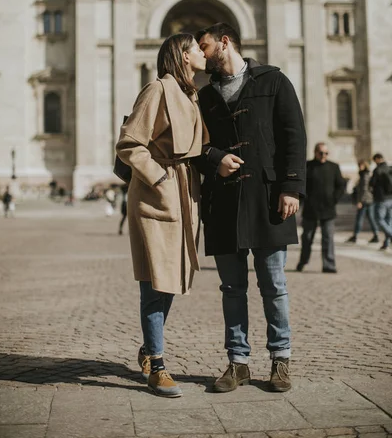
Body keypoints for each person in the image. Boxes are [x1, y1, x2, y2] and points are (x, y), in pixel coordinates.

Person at [196, 22, 307, 393]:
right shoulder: (204, 95)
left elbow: (293, 134)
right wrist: (215, 158)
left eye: (205, 46)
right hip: (223, 199)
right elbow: (195, 146)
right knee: (231, 287)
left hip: (267, 196)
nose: (201, 54)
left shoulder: (274, 81)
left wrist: (291, 187)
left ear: (224, 43)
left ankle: (280, 359)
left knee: (274, 285)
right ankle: (238, 362)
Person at [116, 33, 208, 398]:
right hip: (158, 196)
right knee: (155, 283)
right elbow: (129, 143)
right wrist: (158, 177)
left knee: (171, 278)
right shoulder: (156, 90)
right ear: (183, 56)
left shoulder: (191, 93)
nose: (203, 52)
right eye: (197, 48)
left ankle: (148, 348)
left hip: (184, 194)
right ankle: (156, 364)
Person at [297, 143, 345, 274]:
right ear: (315, 152)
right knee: (307, 238)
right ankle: (303, 261)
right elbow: (301, 185)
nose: (323, 156)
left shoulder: (333, 167)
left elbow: (341, 185)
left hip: (328, 209)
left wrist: (334, 199)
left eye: (326, 153)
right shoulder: (307, 166)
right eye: (321, 153)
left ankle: (329, 264)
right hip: (310, 209)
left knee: (328, 238)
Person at [346, 160, 379, 244]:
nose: (360, 167)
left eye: (361, 165)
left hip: (365, 200)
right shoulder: (365, 174)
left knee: (360, 218)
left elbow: (364, 190)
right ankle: (376, 235)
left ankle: (355, 236)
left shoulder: (364, 175)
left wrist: (360, 201)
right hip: (369, 200)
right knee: (371, 218)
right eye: (359, 165)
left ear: (365, 166)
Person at [370, 153, 392, 250]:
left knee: (379, 219)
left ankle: (390, 235)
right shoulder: (389, 168)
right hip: (390, 198)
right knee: (388, 221)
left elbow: (372, 183)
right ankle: (386, 243)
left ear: (378, 159)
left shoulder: (377, 170)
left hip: (381, 198)